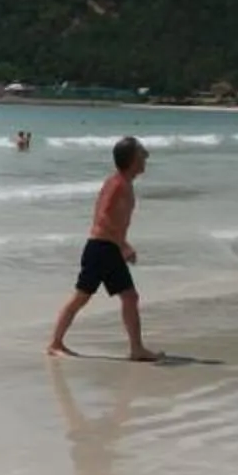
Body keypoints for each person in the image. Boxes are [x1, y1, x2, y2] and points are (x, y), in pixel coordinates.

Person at [47, 135, 159, 360]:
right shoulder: (116, 184)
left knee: (128, 296)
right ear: (132, 159)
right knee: (84, 296)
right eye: (140, 156)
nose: (145, 159)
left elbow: (108, 217)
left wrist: (119, 246)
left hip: (108, 247)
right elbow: (103, 216)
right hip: (101, 248)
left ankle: (136, 349)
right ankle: (55, 343)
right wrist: (124, 245)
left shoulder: (124, 182)